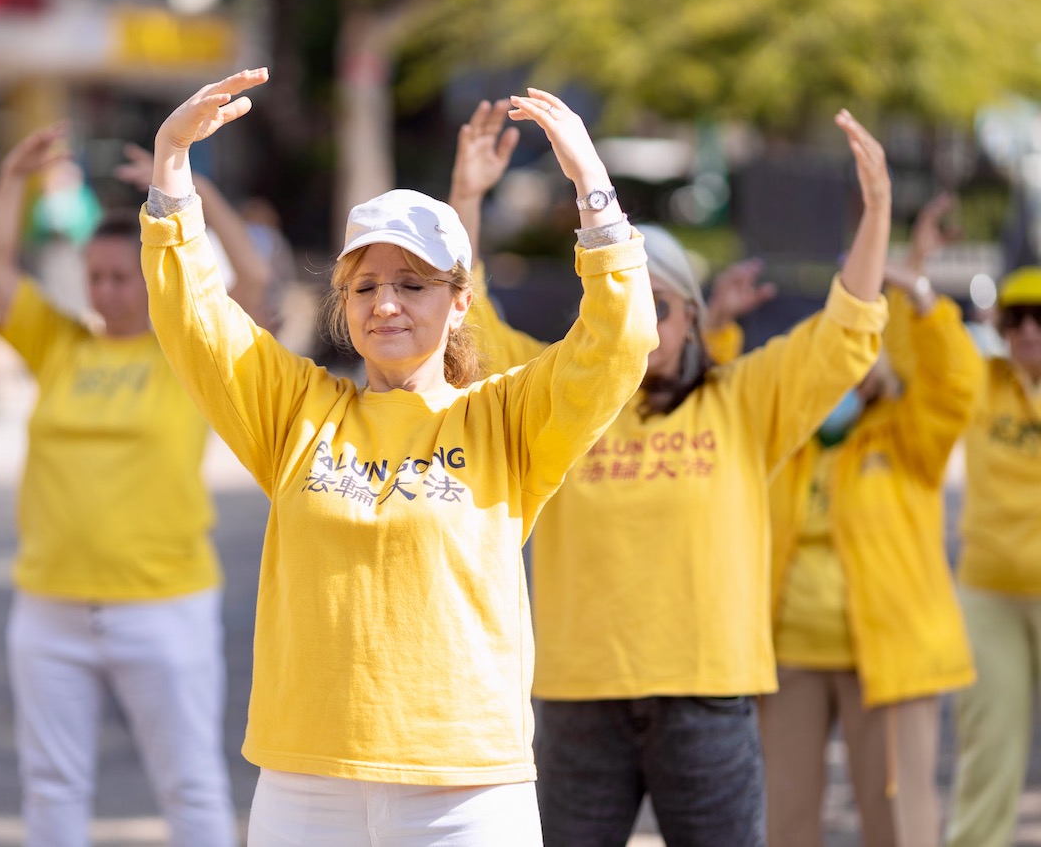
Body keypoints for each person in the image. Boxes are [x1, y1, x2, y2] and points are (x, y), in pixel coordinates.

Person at [141, 68, 658, 846]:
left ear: (459, 304)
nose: (386, 304)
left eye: (413, 284)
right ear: (344, 307)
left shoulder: (507, 418)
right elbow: (195, 321)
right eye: (366, 286)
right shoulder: (297, 413)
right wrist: (171, 164)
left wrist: (592, 188)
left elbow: (619, 342)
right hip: (306, 778)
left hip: (465, 789)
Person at [450, 99, 890, 845]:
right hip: (578, 699)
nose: (640, 327)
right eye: (620, 309)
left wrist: (877, 208)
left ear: (691, 316)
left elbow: (848, 330)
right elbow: (470, 324)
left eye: (657, 307)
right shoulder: (554, 395)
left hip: (707, 696)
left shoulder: (745, 399)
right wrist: (467, 197)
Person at [0, 121, 268, 847]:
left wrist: (190, 189)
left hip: (163, 605)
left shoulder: (188, 353)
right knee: (51, 786)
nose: (107, 292)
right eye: (97, 277)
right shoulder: (58, 342)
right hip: (49, 604)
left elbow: (255, 281)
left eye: (122, 277)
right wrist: (13, 180)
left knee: (190, 782)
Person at [753, 193, 981, 847]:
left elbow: (954, 382)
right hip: (789, 658)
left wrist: (919, 288)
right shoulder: (786, 439)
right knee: (784, 821)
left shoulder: (907, 434)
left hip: (889, 658)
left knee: (899, 824)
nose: (842, 384)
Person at [946, 264, 1041, 847]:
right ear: (998, 325)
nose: (1029, 330)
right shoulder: (979, 381)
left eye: (1040, 317)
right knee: (988, 751)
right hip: (990, 593)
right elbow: (919, 349)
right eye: (1015, 318)